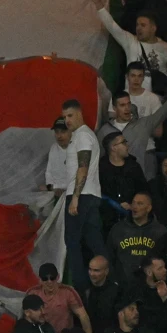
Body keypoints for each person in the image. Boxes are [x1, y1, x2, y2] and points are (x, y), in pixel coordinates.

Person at [61, 98, 105, 288]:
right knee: (95, 243)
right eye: (64, 117)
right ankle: (106, 282)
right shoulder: (81, 136)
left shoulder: (83, 136)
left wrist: (75, 198)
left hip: (82, 195)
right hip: (90, 195)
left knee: (73, 243)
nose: (67, 120)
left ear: (79, 113)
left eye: (70, 115)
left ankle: (80, 289)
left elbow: (83, 167)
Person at [27, 262, 92, 333]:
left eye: (52, 278)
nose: (49, 282)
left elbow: (83, 317)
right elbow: (25, 319)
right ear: (40, 279)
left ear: (58, 277)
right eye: (45, 279)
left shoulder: (68, 292)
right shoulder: (32, 293)